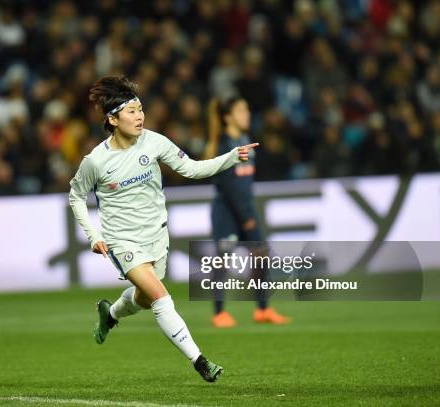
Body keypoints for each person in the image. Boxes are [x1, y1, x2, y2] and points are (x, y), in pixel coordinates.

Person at [69, 77, 257, 382]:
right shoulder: (96, 161)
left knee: (144, 299)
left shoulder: (155, 142)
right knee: (160, 297)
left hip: (156, 236)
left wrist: (231, 157)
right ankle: (200, 361)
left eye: (140, 109)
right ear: (112, 119)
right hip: (122, 240)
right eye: (130, 111)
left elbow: (193, 169)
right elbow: (76, 196)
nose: (139, 115)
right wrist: (94, 236)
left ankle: (112, 313)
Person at [204, 97, 290, 328]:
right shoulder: (223, 146)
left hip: (246, 209)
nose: (247, 114)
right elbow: (229, 185)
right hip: (228, 212)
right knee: (223, 260)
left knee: (261, 256)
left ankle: (263, 309)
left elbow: (245, 183)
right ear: (227, 117)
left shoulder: (245, 141)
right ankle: (219, 313)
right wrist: (246, 216)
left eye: (247, 109)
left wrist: (249, 211)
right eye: (241, 110)